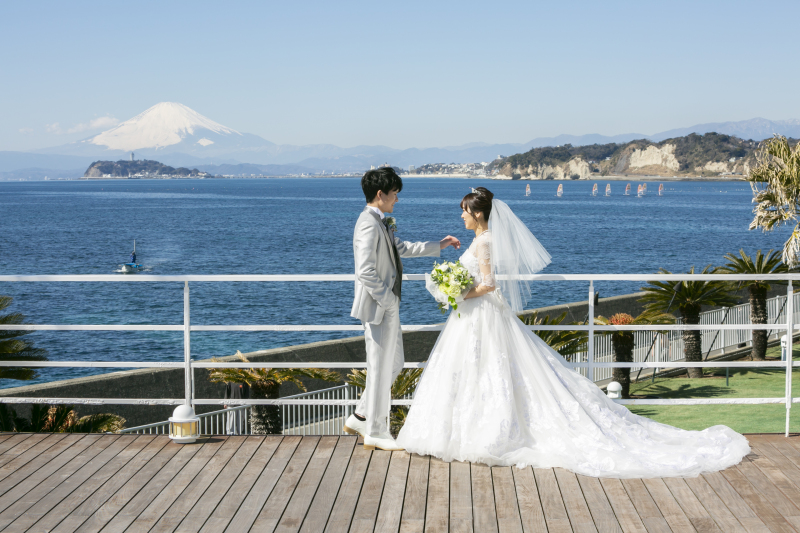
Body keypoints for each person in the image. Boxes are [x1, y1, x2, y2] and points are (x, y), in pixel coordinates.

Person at [396, 187, 750, 478]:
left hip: (481, 312)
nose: (461, 215)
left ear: (478, 214)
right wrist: (455, 289)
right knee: (474, 371)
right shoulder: (479, 240)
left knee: (490, 369)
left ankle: (482, 434)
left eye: (464, 211)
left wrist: (457, 292)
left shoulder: (485, 242)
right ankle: (466, 432)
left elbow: (488, 284)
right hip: (470, 317)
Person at [344, 167, 460, 451]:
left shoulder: (381, 221)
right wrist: (388, 300)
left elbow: (401, 248)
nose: (397, 199)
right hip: (380, 307)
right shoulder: (368, 223)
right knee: (381, 366)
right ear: (380, 194)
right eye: (394, 193)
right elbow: (365, 271)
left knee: (393, 364)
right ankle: (375, 430)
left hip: (388, 306)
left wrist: (439, 245)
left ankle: (361, 415)